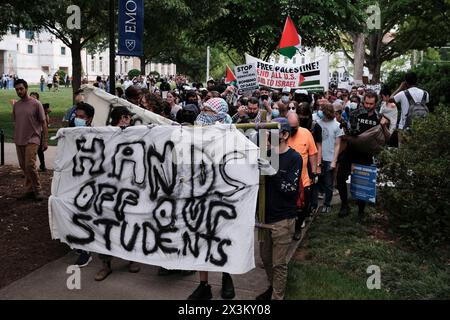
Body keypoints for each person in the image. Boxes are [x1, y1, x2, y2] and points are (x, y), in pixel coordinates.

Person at [188, 98, 235, 300]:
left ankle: (227, 277)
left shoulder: (233, 133)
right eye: (203, 108)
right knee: (201, 239)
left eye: (208, 110)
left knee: (225, 238)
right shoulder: (196, 131)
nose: (203, 113)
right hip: (201, 194)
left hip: (225, 196)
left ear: (220, 114)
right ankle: (204, 284)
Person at [256, 117, 302, 300]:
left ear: (284, 134)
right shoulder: (265, 153)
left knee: (278, 263)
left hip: (283, 220)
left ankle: (277, 297)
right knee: (266, 260)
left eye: (273, 132)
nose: (269, 136)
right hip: (264, 219)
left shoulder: (294, 158)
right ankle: (272, 287)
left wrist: (273, 173)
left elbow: (290, 190)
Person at [94, 106, 141, 281]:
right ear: (121, 118)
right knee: (106, 226)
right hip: (108, 189)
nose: (128, 120)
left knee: (129, 224)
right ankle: (105, 264)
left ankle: (131, 259)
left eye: (129, 118)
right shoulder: (106, 134)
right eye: (127, 117)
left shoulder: (136, 134)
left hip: (130, 189)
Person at [336, 91, 389, 219]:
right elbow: (347, 132)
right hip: (351, 151)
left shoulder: (379, 117)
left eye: (371, 103)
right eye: (366, 103)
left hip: (365, 154)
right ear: (363, 101)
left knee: (363, 182)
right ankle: (344, 205)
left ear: (375, 103)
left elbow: (387, 138)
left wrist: (384, 126)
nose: (368, 106)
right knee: (340, 177)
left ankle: (361, 210)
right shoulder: (355, 114)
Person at [12, 80, 48, 201]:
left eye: (21, 89)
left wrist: (45, 141)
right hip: (19, 139)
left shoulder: (36, 104)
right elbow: (17, 122)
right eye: (17, 89)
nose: (19, 91)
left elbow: (43, 123)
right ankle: (29, 190)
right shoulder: (16, 105)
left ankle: (38, 190)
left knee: (30, 164)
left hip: (33, 138)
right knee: (23, 166)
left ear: (26, 88)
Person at [311, 103, 344, 213]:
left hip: (329, 158)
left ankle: (327, 204)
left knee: (328, 184)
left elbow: (338, 144)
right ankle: (314, 204)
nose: (320, 112)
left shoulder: (337, 125)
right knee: (315, 182)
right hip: (317, 158)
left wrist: (334, 160)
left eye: (322, 110)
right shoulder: (317, 124)